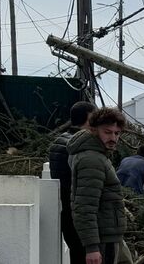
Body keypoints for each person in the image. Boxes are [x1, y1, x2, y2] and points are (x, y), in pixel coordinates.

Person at [67, 107, 127, 264]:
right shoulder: (92, 160)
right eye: (107, 132)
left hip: (105, 235)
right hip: (102, 239)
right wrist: (92, 247)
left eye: (117, 133)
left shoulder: (98, 154)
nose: (113, 138)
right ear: (93, 130)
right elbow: (85, 206)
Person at [49, 100, 96, 264]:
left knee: (75, 253)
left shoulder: (59, 141)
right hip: (77, 211)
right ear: (88, 119)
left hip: (65, 209)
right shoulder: (77, 146)